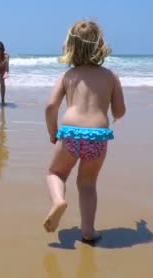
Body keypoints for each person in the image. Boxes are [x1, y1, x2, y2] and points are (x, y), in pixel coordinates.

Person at [42, 20, 126, 244]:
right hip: (97, 137)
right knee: (87, 184)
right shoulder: (110, 76)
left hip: (70, 133)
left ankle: (59, 200)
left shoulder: (68, 76)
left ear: (70, 46)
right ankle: (88, 231)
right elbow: (120, 111)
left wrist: (53, 132)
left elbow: (50, 106)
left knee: (55, 174)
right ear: (99, 45)